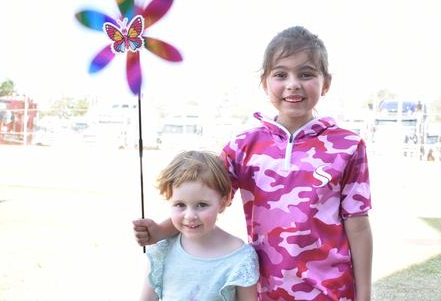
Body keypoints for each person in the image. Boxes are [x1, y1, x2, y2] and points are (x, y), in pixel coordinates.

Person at [134, 26, 373, 300]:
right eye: (280, 74)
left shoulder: (349, 146)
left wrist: (364, 294)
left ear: (326, 83)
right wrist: (159, 231)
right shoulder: (243, 147)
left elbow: (358, 224)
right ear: (265, 83)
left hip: (331, 292)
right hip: (262, 290)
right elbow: (204, 195)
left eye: (306, 74)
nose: (292, 84)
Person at [139, 150, 259, 301]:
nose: (190, 216)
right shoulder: (163, 251)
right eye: (180, 204)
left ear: (223, 202)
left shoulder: (241, 258)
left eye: (202, 205)